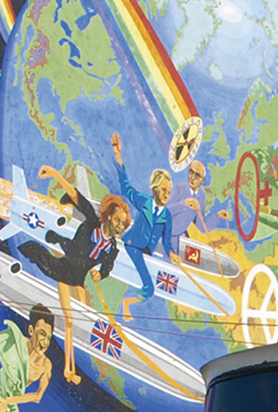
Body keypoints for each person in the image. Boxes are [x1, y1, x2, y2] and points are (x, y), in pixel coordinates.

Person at [17, 163, 130, 384]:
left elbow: (107, 266)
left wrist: (101, 275)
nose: (120, 226)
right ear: (108, 216)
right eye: (117, 220)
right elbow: (75, 196)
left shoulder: (112, 248)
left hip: (79, 278)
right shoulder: (91, 223)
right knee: (69, 322)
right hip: (64, 271)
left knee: (85, 318)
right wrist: (54, 173)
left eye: (123, 224)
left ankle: (77, 361)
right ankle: (69, 369)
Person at [109, 134, 177, 321]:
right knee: (149, 288)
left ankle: (128, 302)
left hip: (147, 253)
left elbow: (167, 243)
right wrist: (118, 155)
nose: (166, 195)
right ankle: (127, 304)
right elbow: (126, 188)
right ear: (154, 189)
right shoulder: (144, 202)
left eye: (169, 192)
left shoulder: (167, 216)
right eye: (163, 190)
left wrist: (172, 255)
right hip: (132, 246)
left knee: (150, 289)